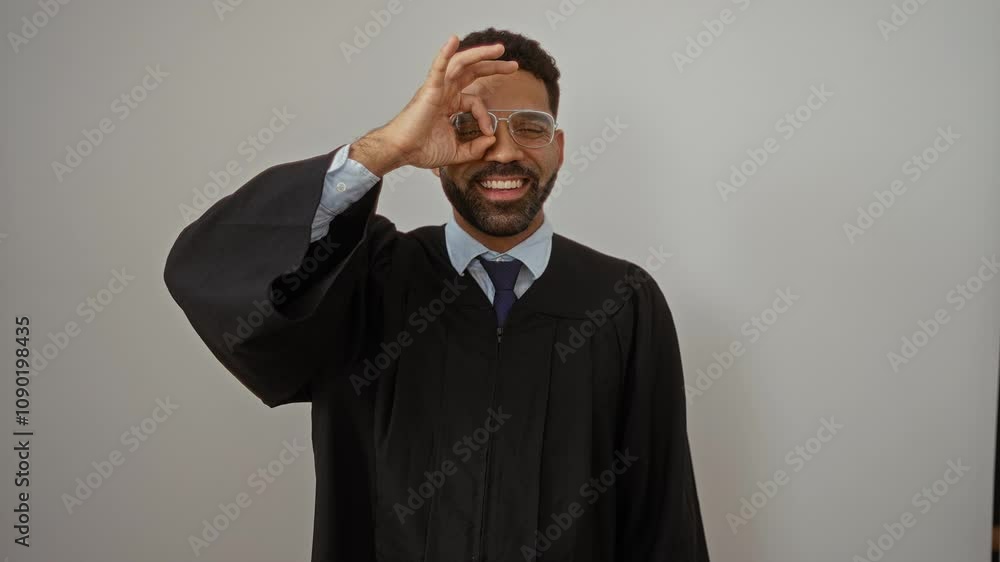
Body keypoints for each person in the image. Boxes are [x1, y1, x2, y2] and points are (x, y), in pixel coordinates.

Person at [164, 27, 710, 562]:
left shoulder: (621, 301)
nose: (503, 151)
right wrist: (385, 149)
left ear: (559, 148)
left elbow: (661, 520)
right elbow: (210, 268)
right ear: (435, 144)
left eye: (530, 127)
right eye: (472, 127)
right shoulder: (364, 279)